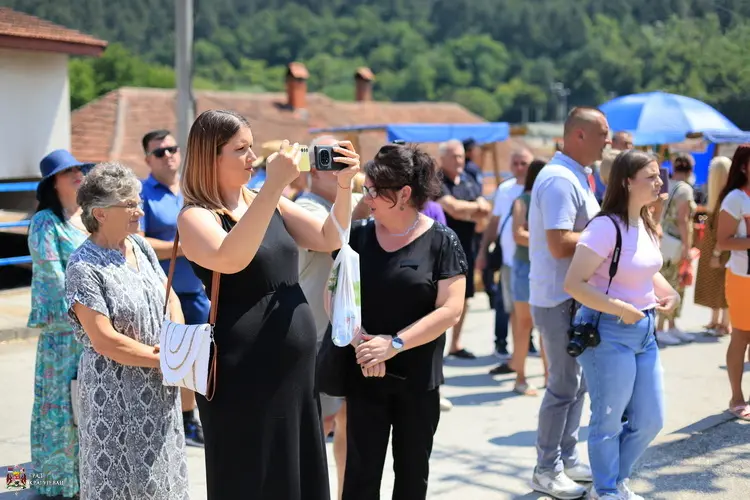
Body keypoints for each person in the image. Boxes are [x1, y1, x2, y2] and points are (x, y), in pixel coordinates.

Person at [176, 109, 360, 499]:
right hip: (243, 370)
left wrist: (345, 186)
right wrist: (274, 186)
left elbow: (329, 237)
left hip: (294, 368)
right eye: (240, 149)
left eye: (252, 147)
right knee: (254, 475)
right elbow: (232, 258)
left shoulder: (264, 199)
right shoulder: (195, 216)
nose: (252, 157)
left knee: (297, 470)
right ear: (211, 157)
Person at [341, 143, 468, 500]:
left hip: (417, 379)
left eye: (374, 190)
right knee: (360, 477)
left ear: (404, 194)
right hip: (366, 372)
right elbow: (335, 295)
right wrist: (363, 343)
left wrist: (393, 344)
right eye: (366, 189)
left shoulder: (442, 241)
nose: (367, 198)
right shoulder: (358, 235)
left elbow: (450, 309)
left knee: (412, 475)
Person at [65, 162, 189, 499]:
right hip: (115, 397)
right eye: (130, 204)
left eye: (139, 201)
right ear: (100, 213)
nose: (140, 210)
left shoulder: (140, 246)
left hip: (160, 388)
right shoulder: (83, 266)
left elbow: (169, 296)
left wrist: (177, 344)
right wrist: (164, 360)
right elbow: (104, 340)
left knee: (163, 480)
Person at [564, 150, 677, 499]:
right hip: (607, 332)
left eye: (659, 175)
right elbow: (574, 283)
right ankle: (607, 490)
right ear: (627, 182)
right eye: (651, 176)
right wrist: (620, 308)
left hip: (644, 329)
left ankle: (614, 481)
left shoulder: (644, 221)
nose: (659, 182)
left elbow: (645, 269)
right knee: (608, 421)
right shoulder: (603, 227)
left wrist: (669, 292)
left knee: (651, 419)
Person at [528, 107, 610, 499]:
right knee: (563, 386)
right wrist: (609, 234)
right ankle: (546, 469)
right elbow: (559, 243)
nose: (608, 140)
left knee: (576, 385)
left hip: (572, 298)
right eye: (603, 133)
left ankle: (566, 457)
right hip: (559, 299)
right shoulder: (560, 179)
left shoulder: (575, 175)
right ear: (578, 135)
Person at [296, 134, 364, 500]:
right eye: (329, 158)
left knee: (347, 422)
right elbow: (332, 235)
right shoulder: (306, 208)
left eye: (341, 157)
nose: (335, 165)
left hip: (341, 333)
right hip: (317, 336)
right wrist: (349, 185)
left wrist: (358, 175)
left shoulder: (344, 199)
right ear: (311, 166)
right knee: (319, 424)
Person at [27, 150, 91, 498]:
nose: (78, 174)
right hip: (64, 331)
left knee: (87, 404)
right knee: (59, 407)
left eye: (79, 168)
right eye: (69, 171)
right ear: (54, 182)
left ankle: (87, 480)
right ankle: (55, 485)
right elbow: (52, 275)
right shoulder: (44, 222)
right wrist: (87, 313)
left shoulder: (89, 216)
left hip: (93, 329)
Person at [138, 129, 205, 447]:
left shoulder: (193, 189)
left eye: (172, 149)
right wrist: (181, 248)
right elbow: (137, 240)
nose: (168, 156)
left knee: (198, 357)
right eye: (159, 152)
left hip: (199, 290)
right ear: (147, 160)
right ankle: (174, 422)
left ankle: (190, 419)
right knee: (169, 361)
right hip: (164, 295)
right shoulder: (142, 193)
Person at [437, 139, 492, 359]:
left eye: (460, 156)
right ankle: (436, 345)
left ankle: (455, 344)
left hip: (467, 247)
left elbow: (485, 209)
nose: (459, 160)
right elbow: (453, 208)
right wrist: (475, 209)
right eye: (454, 156)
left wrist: (470, 210)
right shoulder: (436, 181)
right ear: (442, 159)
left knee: (464, 296)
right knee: (439, 299)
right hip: (440, 249)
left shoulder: (468, 179)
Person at [506, 159, 549, 394]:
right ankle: (520, 378)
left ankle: (549, 377)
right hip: (525, 267)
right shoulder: (522, 200)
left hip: (545, 267)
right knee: (524, 324)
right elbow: (517, 234)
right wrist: (548, 241)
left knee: (547, 325)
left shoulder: (551, 200)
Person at [714, 145, 750, 420]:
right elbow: (723, 241)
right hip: (742, 278)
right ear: (743, 167)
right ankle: (736, 397)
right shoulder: (735, 198)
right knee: (741, 336)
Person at [656, 154, 697, 345]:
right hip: (676, 241)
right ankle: (662, 328)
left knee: (667, 281)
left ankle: (670, 325)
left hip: (664, 238)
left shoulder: (668, 183)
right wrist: (688, 247)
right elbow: (683, 220)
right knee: (673, 283)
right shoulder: (685, 189)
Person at [694, 156, 732, 336]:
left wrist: (716, 253)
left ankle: (724, 323)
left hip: (720, 248)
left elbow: (724, 229)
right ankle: (716, 320)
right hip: (717, 247)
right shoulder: (720, 196)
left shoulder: (725, 198)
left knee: (724, 286)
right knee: (717, 285)